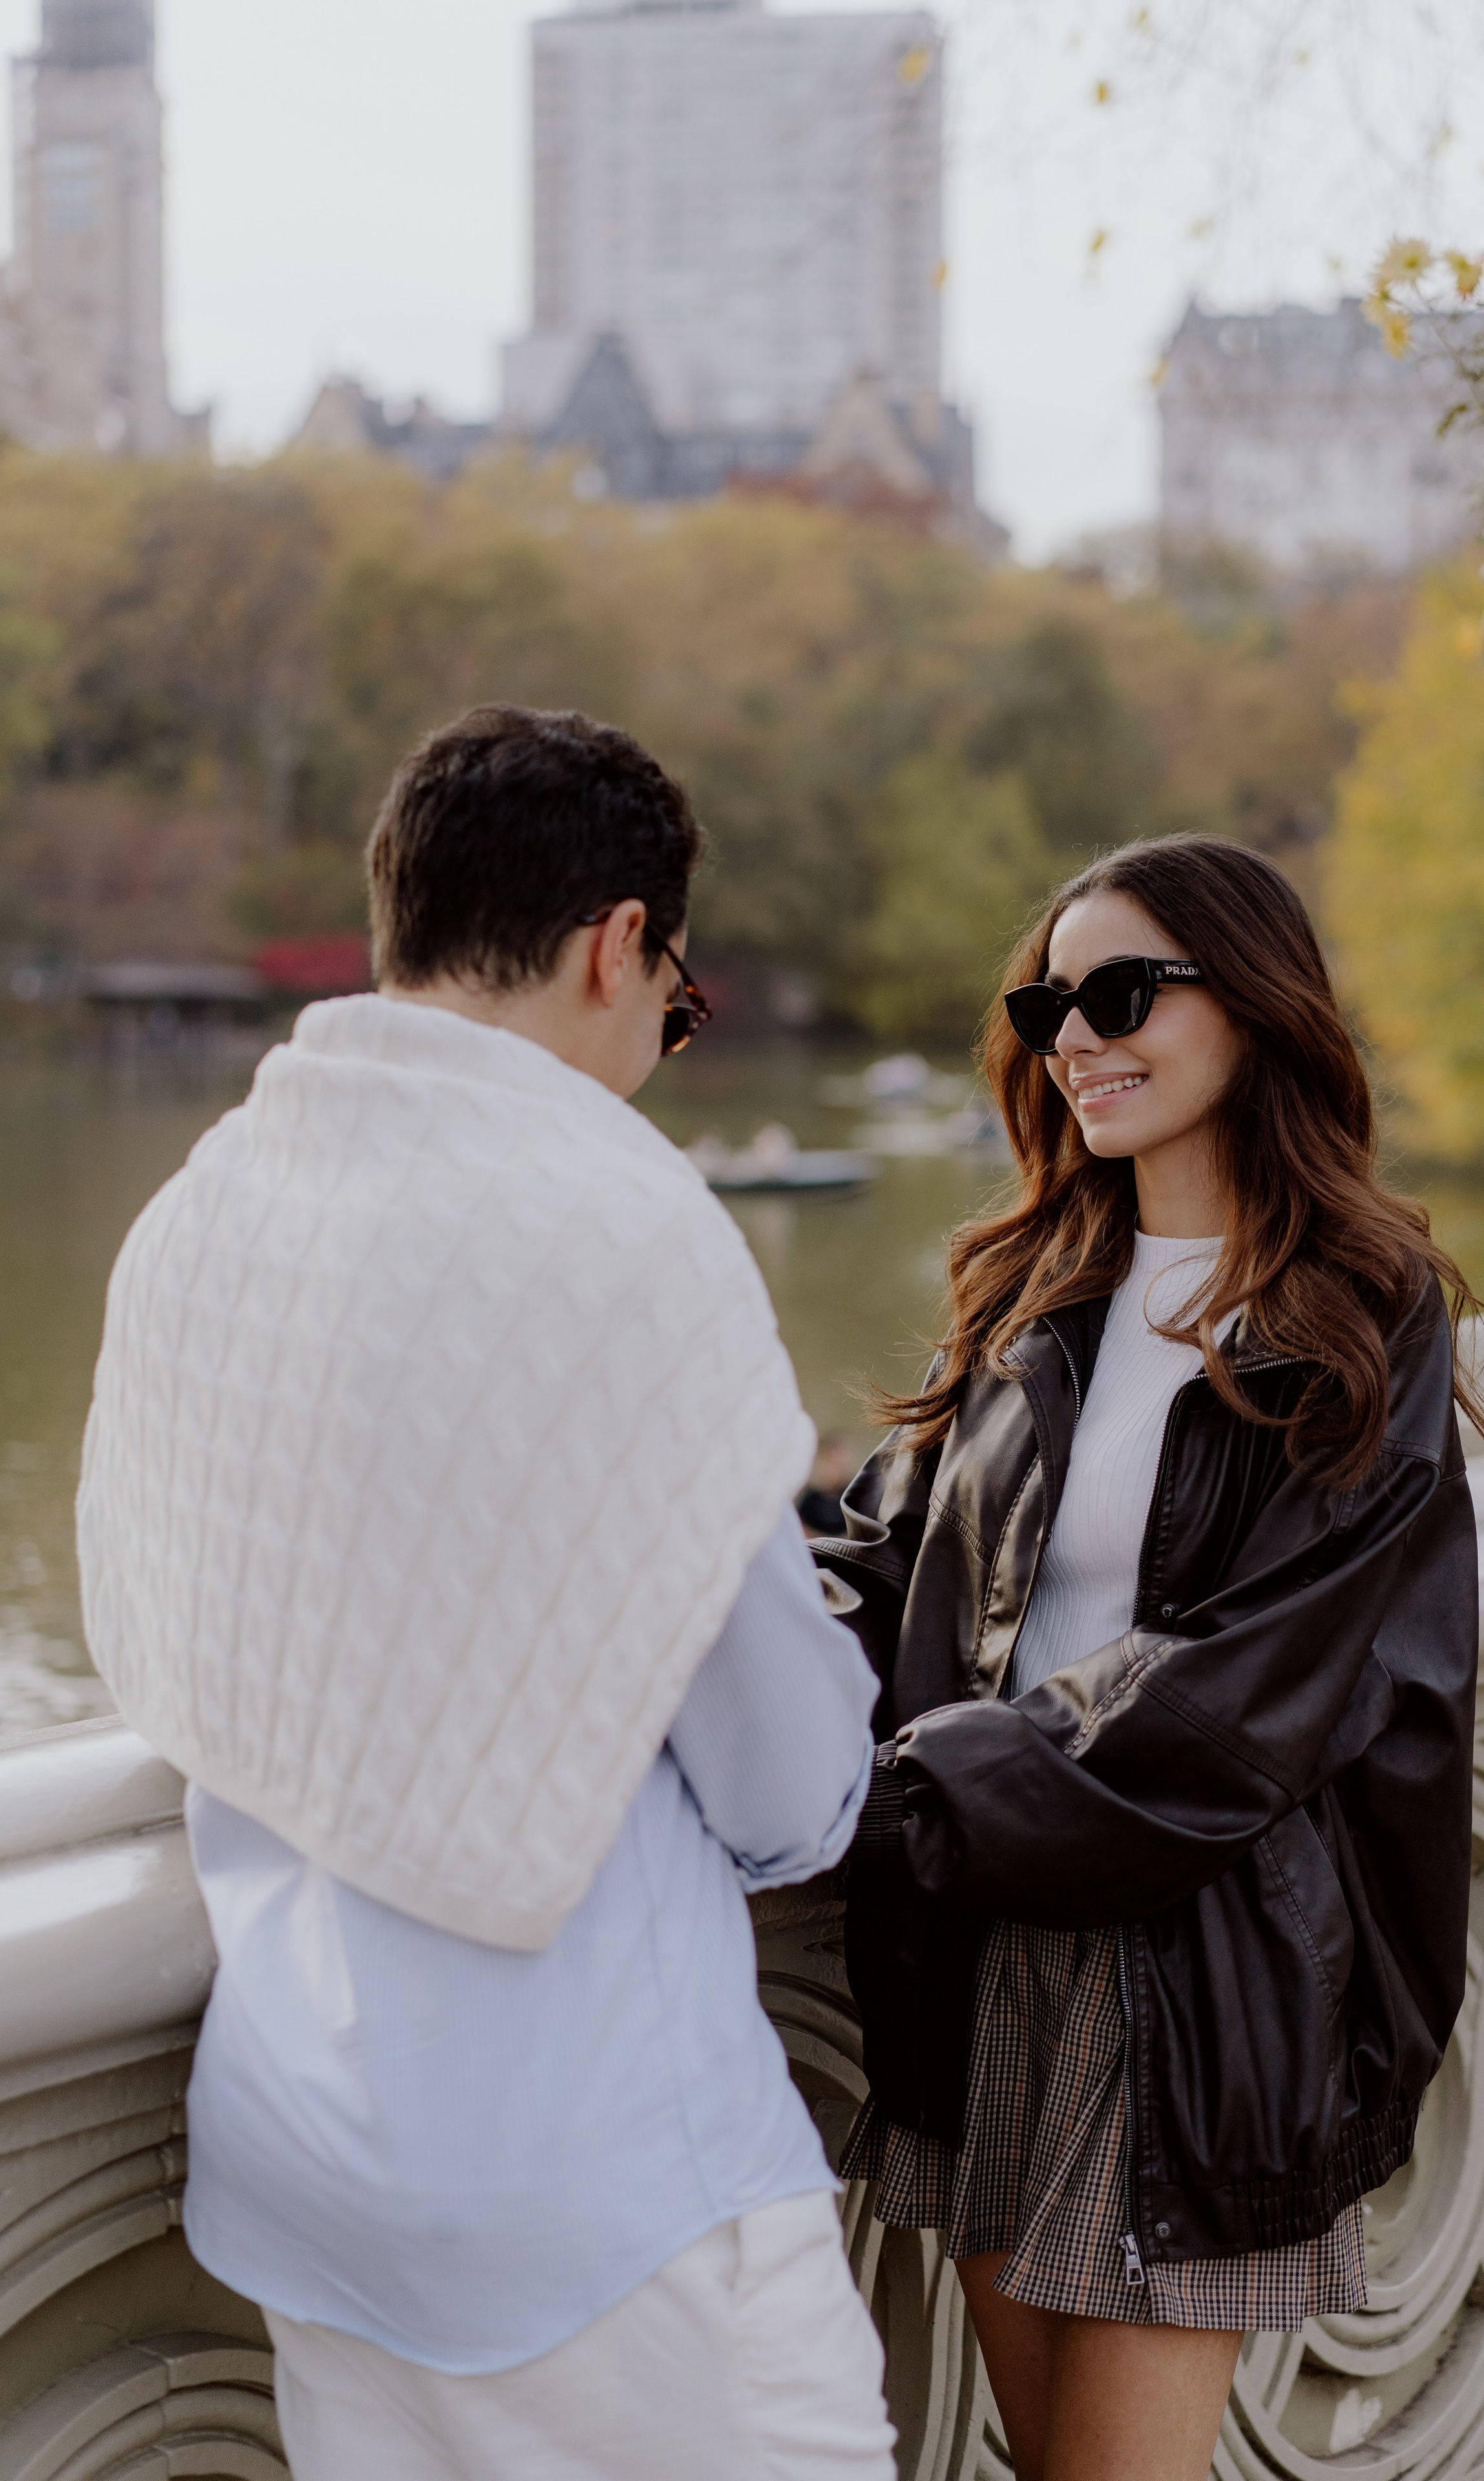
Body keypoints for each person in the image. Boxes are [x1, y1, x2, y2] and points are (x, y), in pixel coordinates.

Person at [77, 705, 896, 2481]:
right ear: (621, 947)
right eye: (677, 1007)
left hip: (302, 2146)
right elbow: (791, 1787)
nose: (663, 1051)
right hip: (602, 2176)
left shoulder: (199, 1217)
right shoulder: (617, 1231)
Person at [810, 835, 1484, 2481]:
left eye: (1119, 991)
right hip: (977, 1944)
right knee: (1029, 2450)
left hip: (1198, 1976)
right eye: (1047, 1000)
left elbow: (1241, 1696)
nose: (1074, 1035)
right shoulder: (1030, 1291)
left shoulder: (1360, 1313)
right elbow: (884, 1563)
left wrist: (896, 1798)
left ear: (1253, 1009)